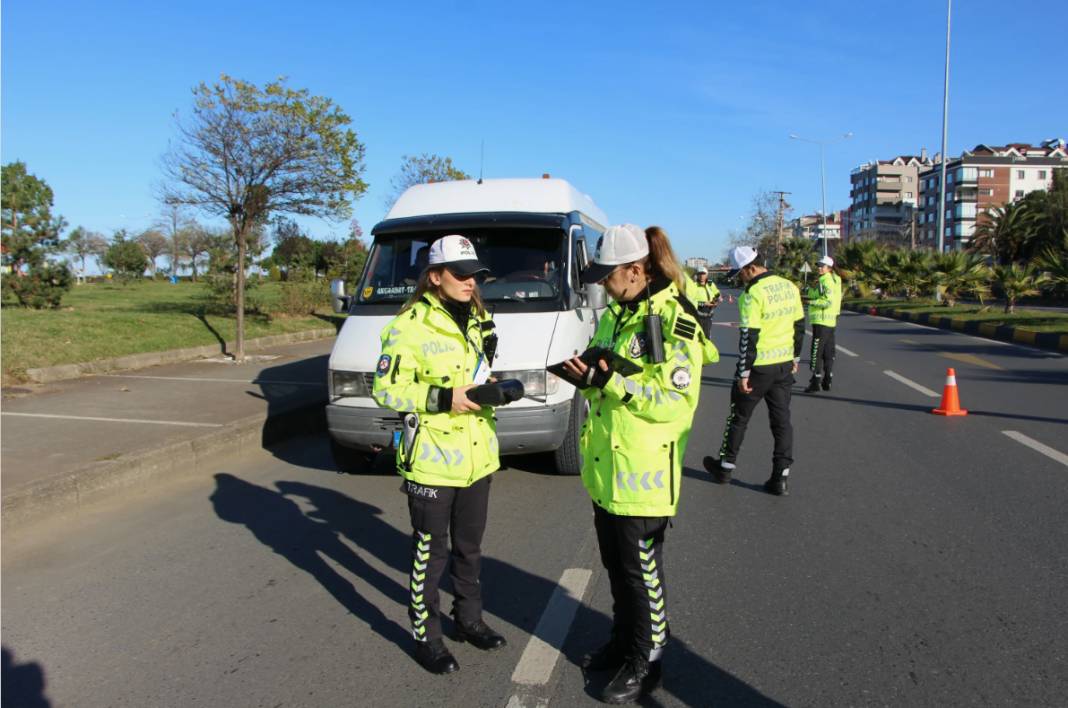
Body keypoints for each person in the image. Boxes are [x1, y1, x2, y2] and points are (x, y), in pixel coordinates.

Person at [563, 224, 717, 704]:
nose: (602, 284)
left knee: (641, 573)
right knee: (616, 568)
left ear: (635, 270)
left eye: (609, 275)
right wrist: (588, 376)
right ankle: (623, 642)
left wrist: (611, 384)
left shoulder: (676, 322)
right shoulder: (616, 314)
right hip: (608, 468)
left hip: (645, 473)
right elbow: (610, 375)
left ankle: (646, 662)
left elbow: (674, 402)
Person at [372, 234, 506, 675]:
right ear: (435, 277)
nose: (471, 282)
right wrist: (443, 398)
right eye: (461, 274)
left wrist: (493, 388)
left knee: (470, 549)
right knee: (431, 554)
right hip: (431, 458)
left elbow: (483, 369)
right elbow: (385, 388)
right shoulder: (408, 325)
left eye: (475, 274)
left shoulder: (480, 318)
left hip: (477, 456)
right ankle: (425, 637)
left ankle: (468, 620)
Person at [703, 246, 804, 496]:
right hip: (782, 366)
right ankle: (781, 477)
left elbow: (749, 336)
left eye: (741, 274)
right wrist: (795, 357)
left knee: (739, 417)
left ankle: (725, 467)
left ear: (751, 268)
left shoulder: (753, 294)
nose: (740, 278)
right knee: (781, 422)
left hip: (759, 368)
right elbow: (800, 325)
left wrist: (743, 373)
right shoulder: (790, 286)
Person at [803, 255, 843, 393]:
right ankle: (828, 378)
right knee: (828, 352)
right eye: (818, 265)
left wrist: (809, 302)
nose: (819, 268)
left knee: (816, 353)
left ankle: (816, 381)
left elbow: (826, 301)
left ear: (829, 268)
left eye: (822, 266)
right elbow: (821, 295)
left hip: (821, 320)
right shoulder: (835, 279)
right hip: (831, 321)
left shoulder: (826, 281)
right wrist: (809, 292)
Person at [685, 265, 722, 338]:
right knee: (697, 336)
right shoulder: (693, 286)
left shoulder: (710, 284)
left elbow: (717, 293)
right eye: (700, 274)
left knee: (707, 336)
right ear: (697, 275)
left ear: (706, 275)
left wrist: (717, 299)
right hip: (697, 315)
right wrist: (704, 303)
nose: (702, 276)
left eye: (703, 274)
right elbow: (689, 301)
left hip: (709, 315)